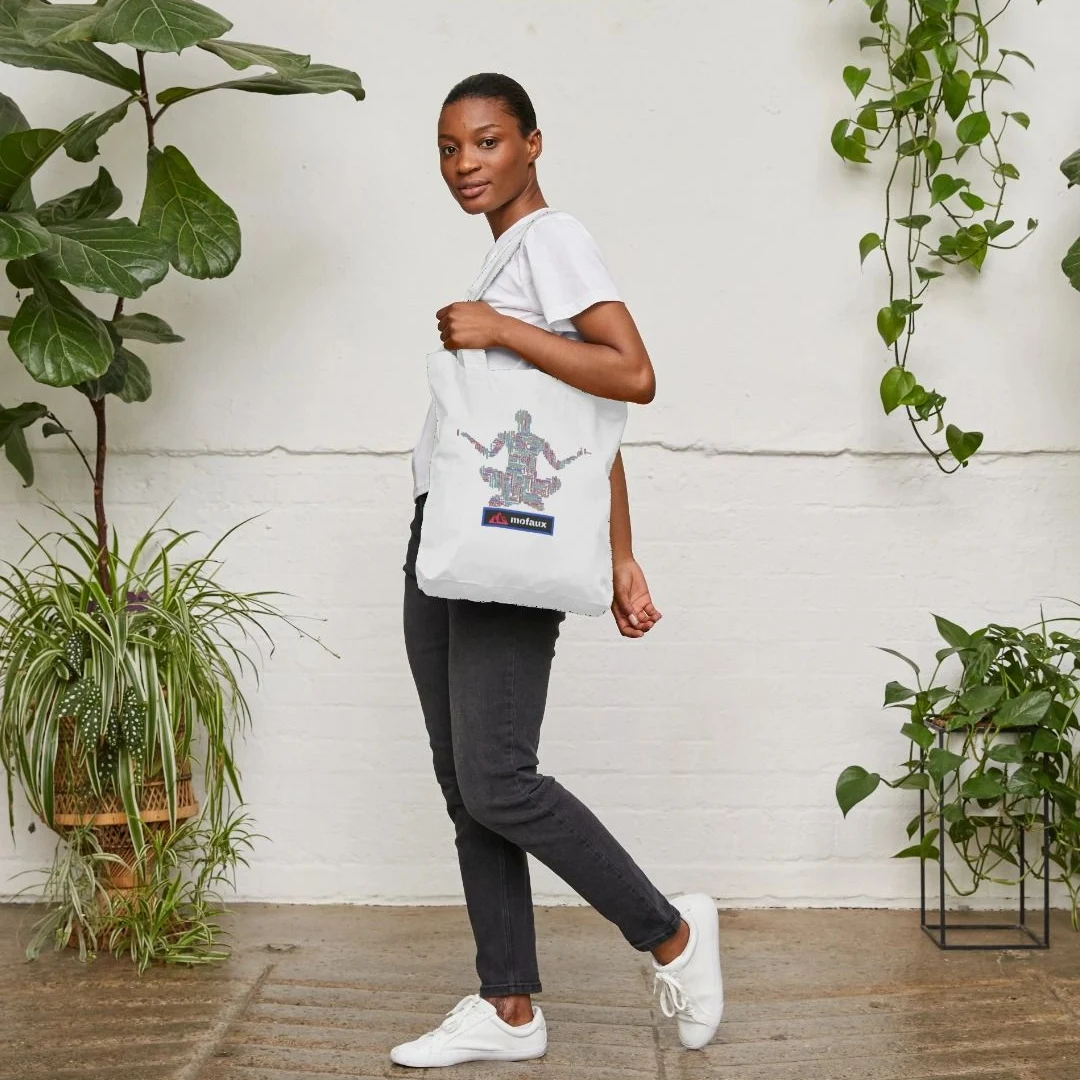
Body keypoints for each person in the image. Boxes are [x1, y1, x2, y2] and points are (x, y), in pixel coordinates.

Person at [394, 72, 723, 1068]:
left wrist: (500, 330)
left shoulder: (552, 241)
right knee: (466, 782)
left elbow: (631, 374)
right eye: (449, 148)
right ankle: (507, 1007)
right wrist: (618, 550)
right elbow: (582, 431)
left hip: (500, 540)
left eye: (487, 142)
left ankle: (672, 934)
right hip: (450, 533)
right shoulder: (506, 254)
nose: (465, 164)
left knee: (498, 779)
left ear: (532, 144)